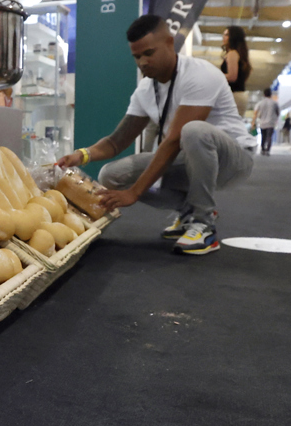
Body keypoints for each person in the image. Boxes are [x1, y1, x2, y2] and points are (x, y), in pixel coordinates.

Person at [59, 15, 255, 256]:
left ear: (169, 43)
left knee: (193, 130)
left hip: (232, 160)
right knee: (111, 175)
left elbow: (174, 141)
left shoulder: (200, 74)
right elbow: (116, 141)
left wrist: (134, 193)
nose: (143, 62)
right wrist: (81, 155)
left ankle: (204, 223)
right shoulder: (145, 90)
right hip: (191, 158)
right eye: (137, 56)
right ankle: (188, 211)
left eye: (149, 53)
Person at [221, 26, 252, 117]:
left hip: (234, 96)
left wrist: (216, 75)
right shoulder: (240, 54)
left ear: (233, 37)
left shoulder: (232, 53)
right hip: (239, 96)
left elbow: (232, 77)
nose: (223, 37)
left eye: (226, 35)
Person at [253, 88, 280, 155]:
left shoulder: (260, 103)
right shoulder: (274, 103)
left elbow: (256, 112)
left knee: (263, 136)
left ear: (264, 94)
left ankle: (262, 149)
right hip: (271, 123)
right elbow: (278, 112)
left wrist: (253, 121)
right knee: (269, 137)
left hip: (262, 123)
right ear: (271, 94)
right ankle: (268, 150)